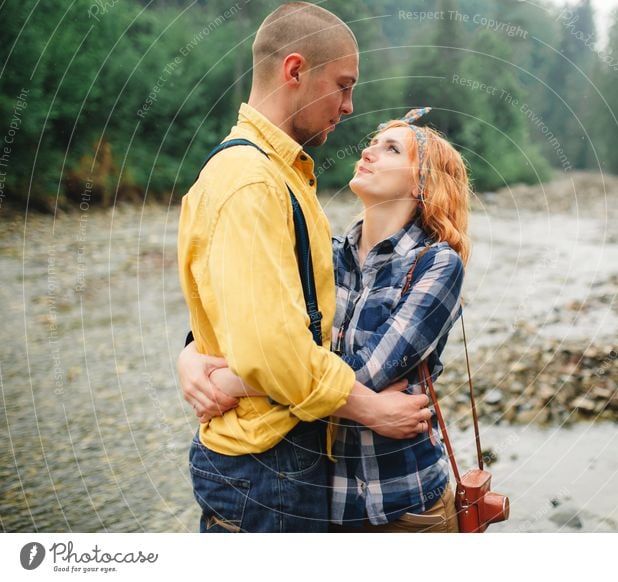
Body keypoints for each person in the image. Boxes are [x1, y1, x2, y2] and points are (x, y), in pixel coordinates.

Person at [177, 2, 432, 534]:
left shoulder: (276, 173)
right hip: (267, 467)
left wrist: (195, 355)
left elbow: (252, 303)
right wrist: (367, 408)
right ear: (294, 71)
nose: (349, 105)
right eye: (342, 85)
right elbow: (272, 350)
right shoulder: (252, 181)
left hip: (276, 460)